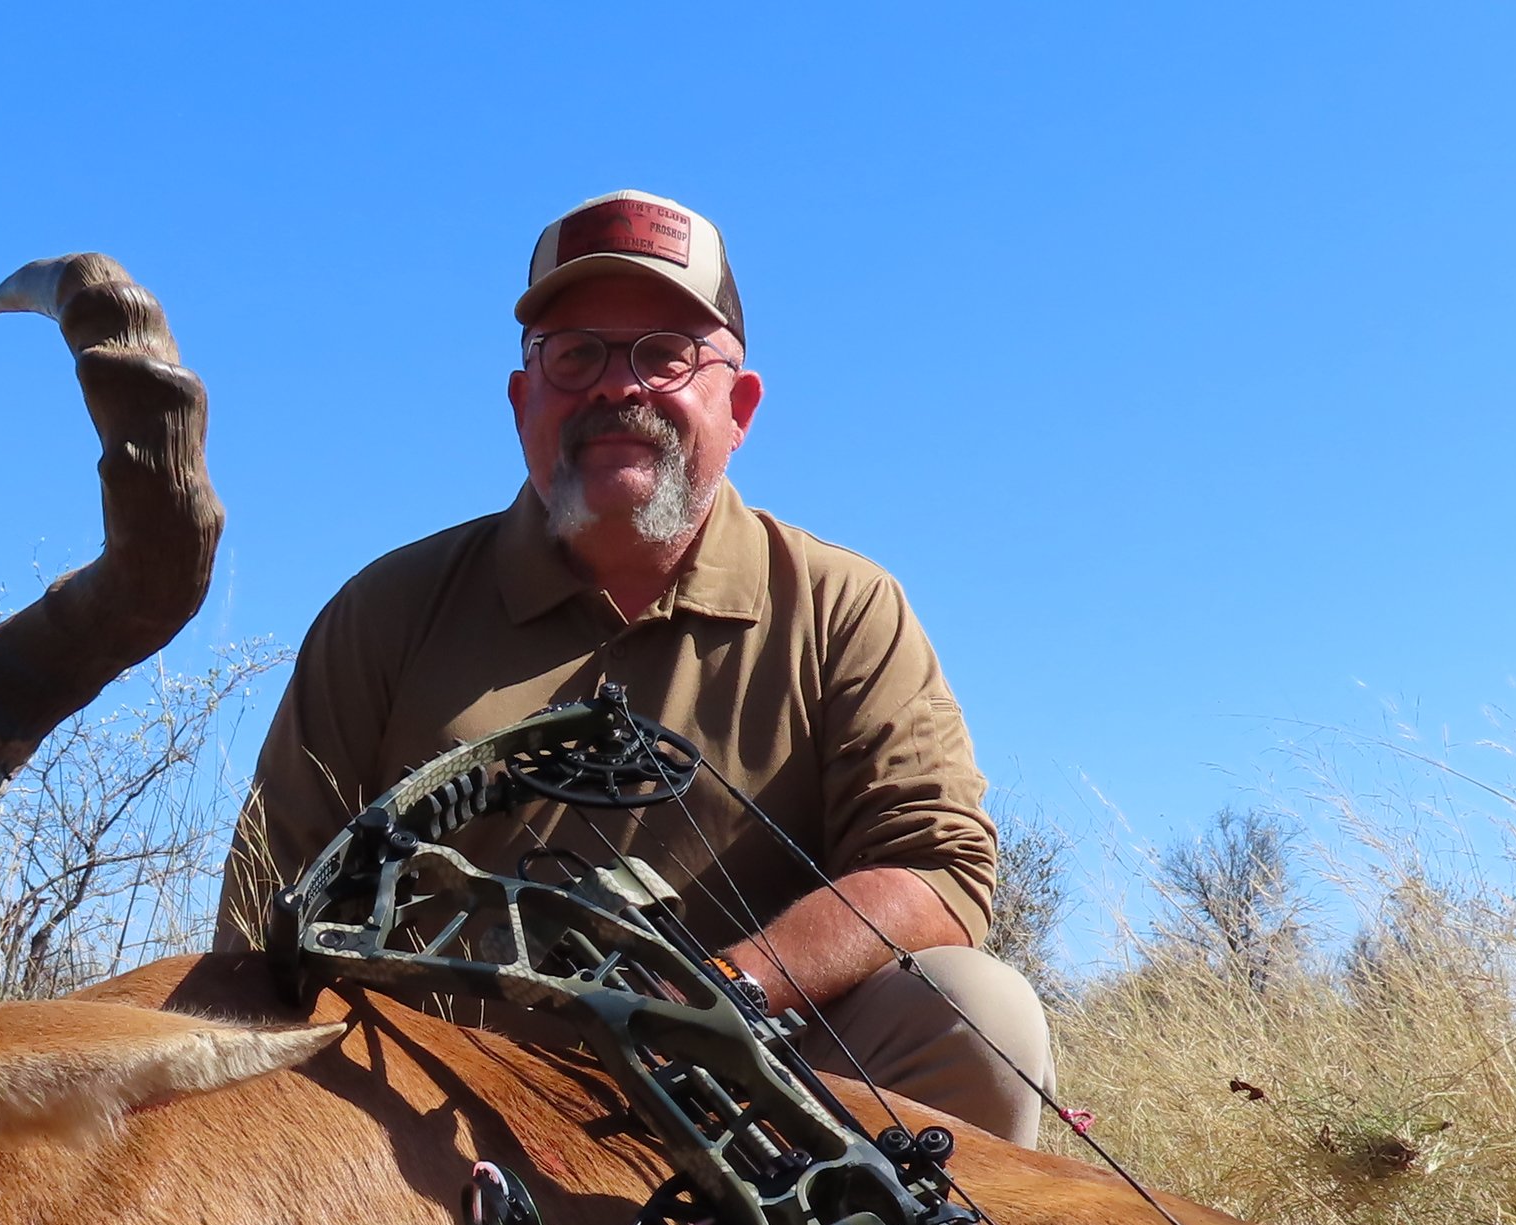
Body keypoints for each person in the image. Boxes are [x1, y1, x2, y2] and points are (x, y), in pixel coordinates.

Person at [214, 190, 1056, 1143]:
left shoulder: (843, 606)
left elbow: (936, 866)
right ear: (523, 401)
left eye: (666, 353)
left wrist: (708, 999)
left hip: (749, 1112)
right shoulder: (387, 611)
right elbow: (264, 915)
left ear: (739, 406)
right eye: (575, 354)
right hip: (424, 1129)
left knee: (978, 1014)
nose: (619, 387)